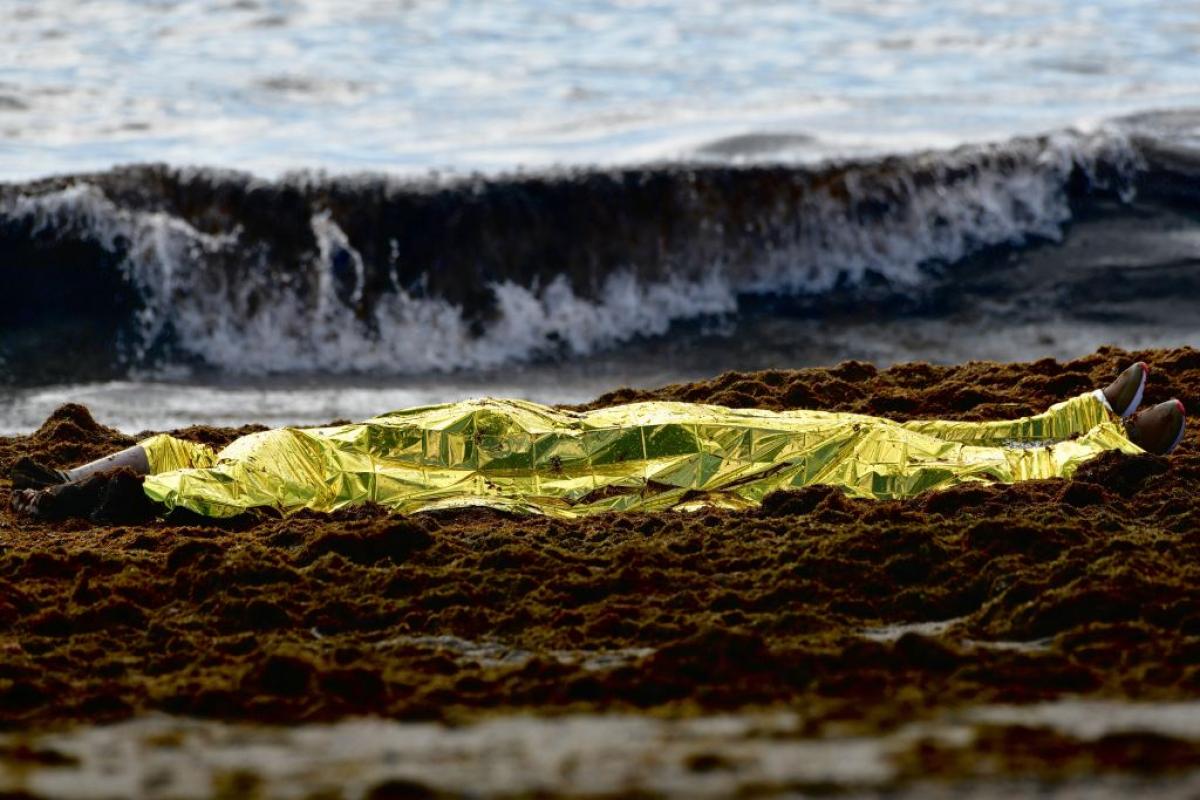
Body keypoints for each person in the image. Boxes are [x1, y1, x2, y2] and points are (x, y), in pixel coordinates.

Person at [9, 363, 1186, 520]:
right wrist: (71, 495)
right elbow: (151, 474)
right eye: (107, 468)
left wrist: (73, 483)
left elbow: (153, 455)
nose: (129, 452)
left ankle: (1057, 424)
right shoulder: (231, 491)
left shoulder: (219, 465)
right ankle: (1079, 453)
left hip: (513, 438)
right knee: (804, 452)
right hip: (555, 474)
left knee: (789, 428)